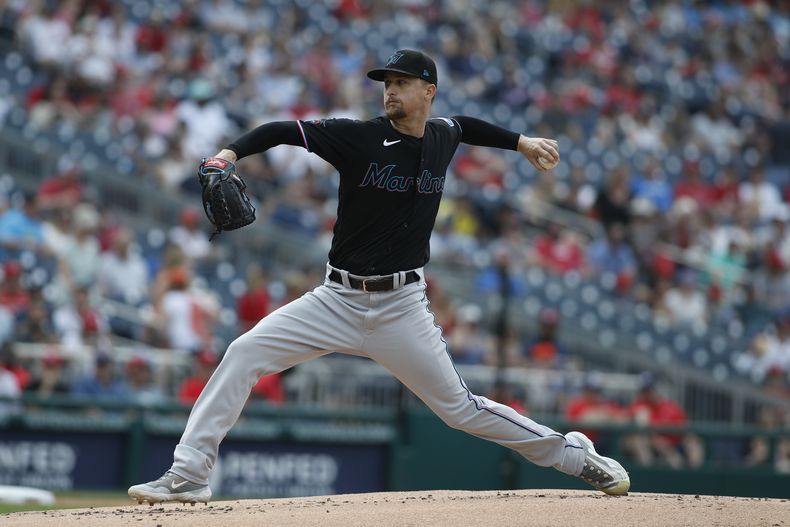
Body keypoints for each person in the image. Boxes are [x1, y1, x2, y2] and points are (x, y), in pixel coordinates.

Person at [129, 49, 629, 505]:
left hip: (400, 308)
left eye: (401, 82)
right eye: (386, 82)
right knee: (243, 353)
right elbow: (284, 129)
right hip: (335, 299)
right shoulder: (358, 137)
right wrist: (227, 156)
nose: (389, 90)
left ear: (427, 91)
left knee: (460, 409)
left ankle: (572, 455)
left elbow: (467, 125)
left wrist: (520, 142)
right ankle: (189, 473)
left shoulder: (441, 136)